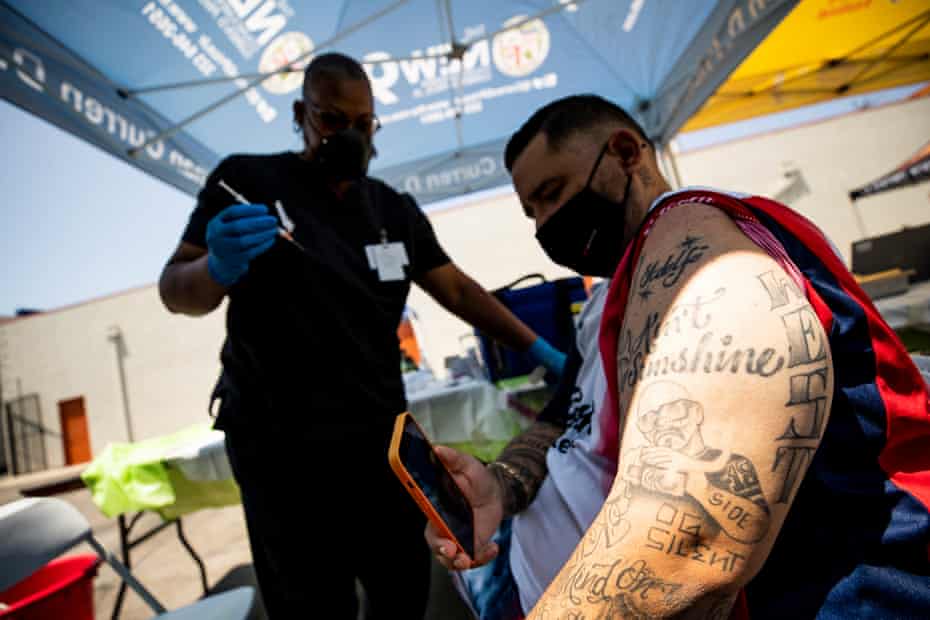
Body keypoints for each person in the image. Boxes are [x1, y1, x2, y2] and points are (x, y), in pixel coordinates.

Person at [426, 94, 930, 619]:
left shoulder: (693, 233)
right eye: (533, 212)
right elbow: (564, 415)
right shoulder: (611, 294)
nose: (545, 226)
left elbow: (692, 538)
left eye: (553, 194)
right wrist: (500, 485)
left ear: (625, 153)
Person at [158, 52, 566, 619]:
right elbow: (175, 288)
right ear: (302, 113)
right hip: (279, 447)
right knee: (309, 603)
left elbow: (460, 291)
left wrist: (539, 348)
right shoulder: (246, 181)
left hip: (379, 440)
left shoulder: (393, 210)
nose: (349, 134)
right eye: (332, 120)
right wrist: (215, 268)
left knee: (401, 587)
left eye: (362, 122)